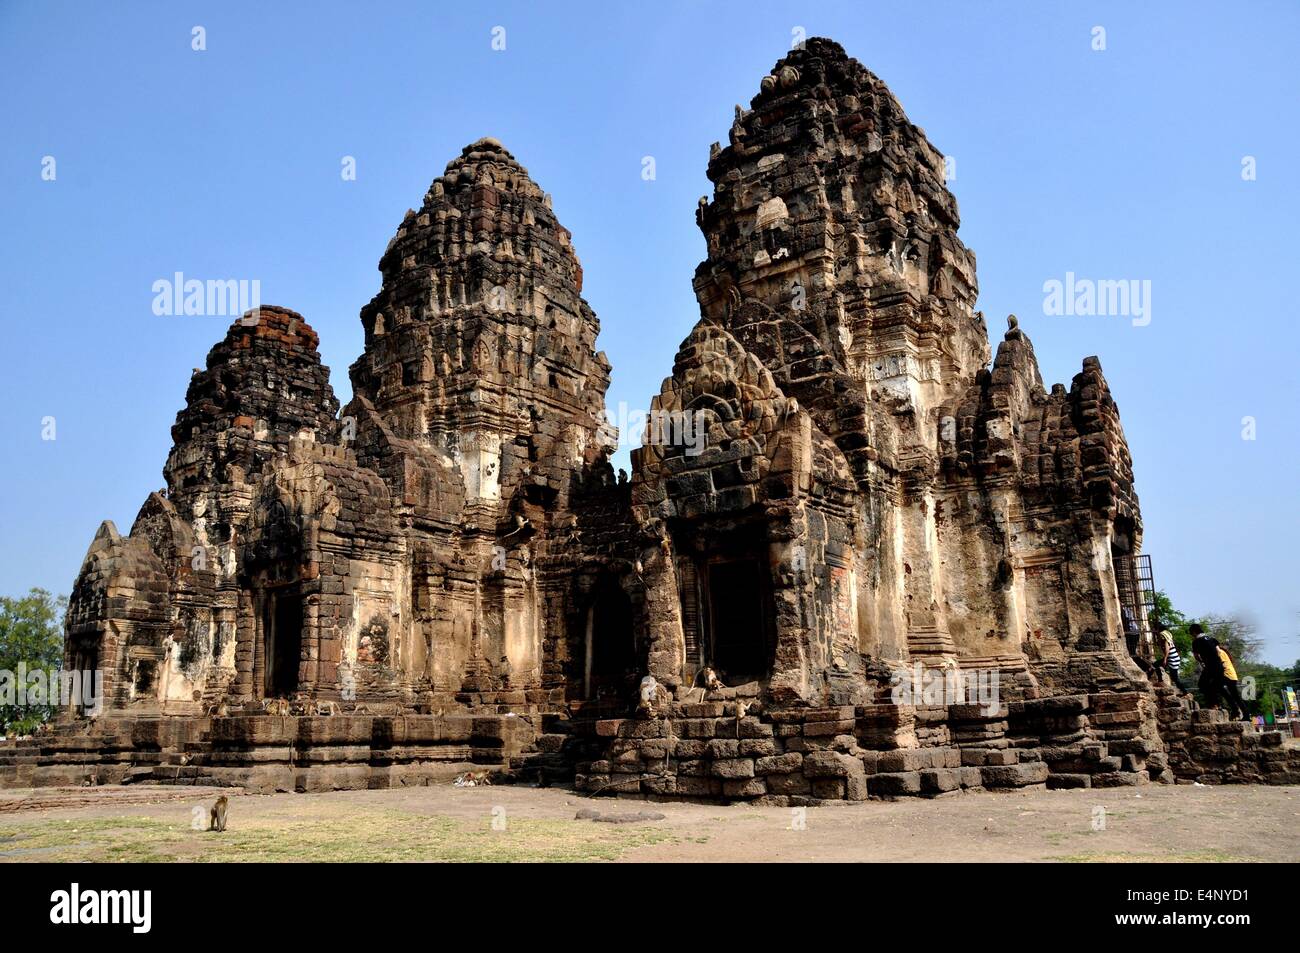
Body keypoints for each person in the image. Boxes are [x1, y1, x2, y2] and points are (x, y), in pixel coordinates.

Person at [1190, 623, 1244, 718]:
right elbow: (1219, 651)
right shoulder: (1212, 639)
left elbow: (1196, 656)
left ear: (1194, 632)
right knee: (1219, 688)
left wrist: (1203, 661)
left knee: (1202, 685)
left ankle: (1214, 704)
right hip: (1219, 666)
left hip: (1210, 666)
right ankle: (1234, 708)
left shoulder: (1196, 642)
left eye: (1192, 634)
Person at [1153, 621, 1187, 693]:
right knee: (1155, 665)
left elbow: (1167, 648)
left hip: (1171, 657)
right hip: (1174, 656)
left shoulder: (1162, 635)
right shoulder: (1167, 633)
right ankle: (1160, 681)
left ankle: (1185, 692)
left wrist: (1165, 659)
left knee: (1175, 678)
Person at [1217, 643, 1247, 720]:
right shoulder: (1221, 652)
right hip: (1231, 676)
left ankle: (1237, 710)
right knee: (1235, 696)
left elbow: (1222, 665)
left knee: (1217, 687)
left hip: (1228, 675)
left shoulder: (1220, 652)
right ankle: (1237, 710)